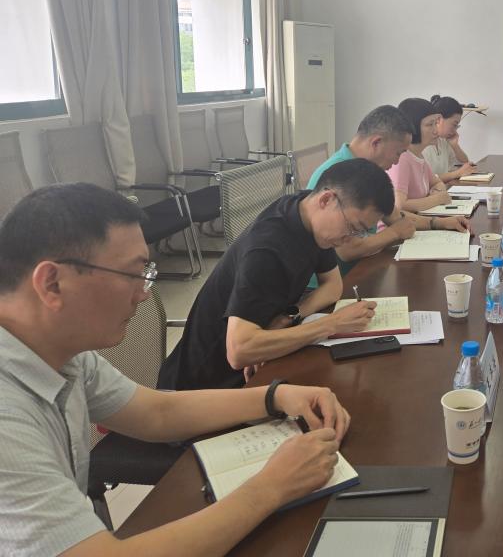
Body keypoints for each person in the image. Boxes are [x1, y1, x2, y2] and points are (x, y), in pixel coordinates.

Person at [0, 184, 349, 556]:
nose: (144, 293)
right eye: (133, 274)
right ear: (52, 283)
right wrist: (272, 487)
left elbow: (157, 412)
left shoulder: (62, 352)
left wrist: (274, 396)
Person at [158, 158, 395, 391]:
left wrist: (289, 317)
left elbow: (333, 285)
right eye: (353, 227)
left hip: (254, 365)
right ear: (326, 199)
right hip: (204, 388)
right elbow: (239, 351)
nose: (350, 238)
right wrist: (332, 323)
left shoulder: (307, 215)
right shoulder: (267, 251)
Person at [308, 105, 469, 275]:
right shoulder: (338, 173)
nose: (397, 162)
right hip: (335, 279)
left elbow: (395, 216)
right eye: (398, 153)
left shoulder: (369, 170)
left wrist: (438, 223)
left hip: (364, 266)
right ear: (376, 143)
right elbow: (348, 250)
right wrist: (394, 233)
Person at [388, 97, 455, 212]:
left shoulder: (418, 155)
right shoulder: (402, 158)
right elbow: (399, 205)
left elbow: (437, 182)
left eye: (436, 124)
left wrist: (437, 192)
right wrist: (438, 199)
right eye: (430, 125)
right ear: (413, 126)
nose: (436, 130)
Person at [424, 95, 477, 183]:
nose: (455, 130)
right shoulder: (421, 143)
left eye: (457, 126)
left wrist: (455, 146)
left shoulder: (443, 140)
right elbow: (425, 180)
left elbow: (464, 165)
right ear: (438, 119)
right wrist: (457, 173)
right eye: (454, 125)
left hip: (441, 189)